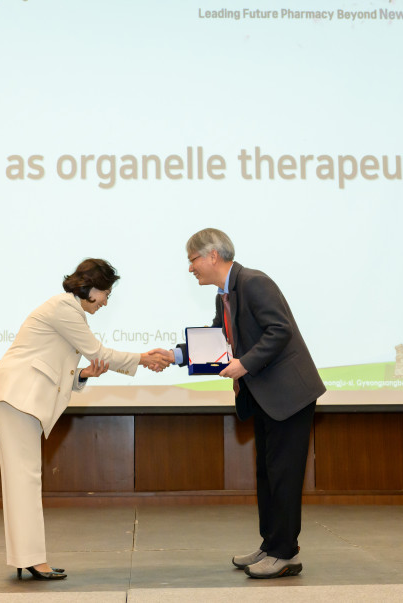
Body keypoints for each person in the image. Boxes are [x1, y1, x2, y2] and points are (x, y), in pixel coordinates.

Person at [0, 258, 169, 581]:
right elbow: (99, 353)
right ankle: (32, 559)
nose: (106, 302)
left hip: (18, 397)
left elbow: (57, 363)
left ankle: (29, 557)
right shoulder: (64, 308)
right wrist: (144, 358)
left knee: (23, 478)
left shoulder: (67, 309)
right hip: (16, 395)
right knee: (24, 479)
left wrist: (83, 374)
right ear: (91, 288)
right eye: (106, 294)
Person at [158, 228, 326, 579]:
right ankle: (271, 545)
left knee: (283, 476)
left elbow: (279, 330)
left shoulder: (254, 282)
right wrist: (175, 355)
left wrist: (245, 363)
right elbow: (217, 340)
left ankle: (284, 554)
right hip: (265, 395)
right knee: (267, 474)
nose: (190, 268)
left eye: (192, 260)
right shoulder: (224, 294)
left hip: (288, 395)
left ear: (212, 255)